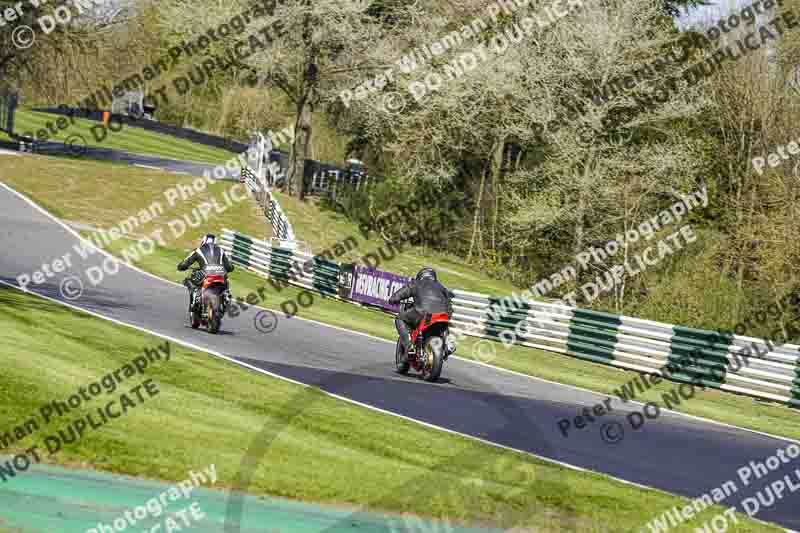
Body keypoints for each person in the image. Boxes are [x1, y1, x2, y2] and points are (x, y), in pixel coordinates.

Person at [388, 267, 454, 362]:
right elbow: (450, 303)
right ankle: (447, 345)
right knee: (445, 325)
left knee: (400, 318)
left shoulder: (416, 283)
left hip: (422, 312)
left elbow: (401, 293)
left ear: (420, 276)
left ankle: (409, 346)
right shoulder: (441, 287)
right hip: (442, 315)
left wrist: (393, 299)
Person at [177, 234, 234, 314]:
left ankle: (196, 300)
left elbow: (186, 262)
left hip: (206, 274)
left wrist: (181, 267)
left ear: (203, 241)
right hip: (220, 275)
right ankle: (226, 296)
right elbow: (230, 267)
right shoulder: (221, 251)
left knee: (190, 279)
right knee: (226, 281)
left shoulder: (198, 250)